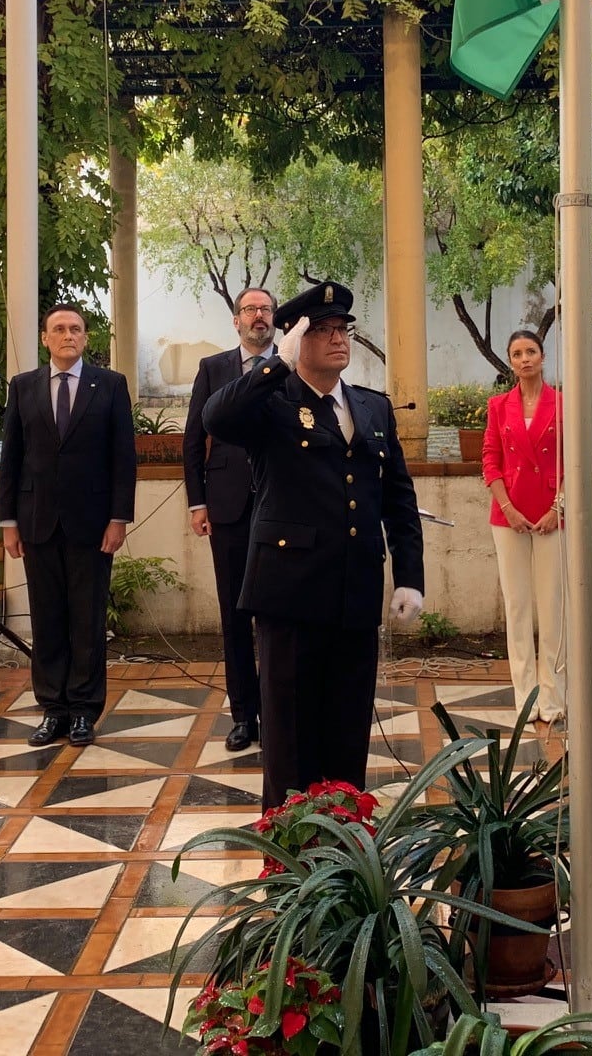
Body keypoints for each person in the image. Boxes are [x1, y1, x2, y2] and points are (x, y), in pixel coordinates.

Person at [202, 281, 424, 810]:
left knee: (347, 731)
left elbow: (398, 497)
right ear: (296, 339)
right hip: (290, 595)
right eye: (321, 331)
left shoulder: (372, 409)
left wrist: (410, 575)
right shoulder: (271, 401)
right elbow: (216, 417)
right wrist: (274, 363)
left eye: (342, 329)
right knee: (290, 737)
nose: (337, 339)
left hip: (354, 591)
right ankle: (288, 859)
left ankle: (346, 853)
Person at [0, 304, 136, 749]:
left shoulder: (110, 385)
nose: (68, 335)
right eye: (59, 329)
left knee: (88, 620)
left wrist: (119, 518)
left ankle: (83, 710)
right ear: (45, 339)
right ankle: (52, 709)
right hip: (37, 523)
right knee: (48, 617)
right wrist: (8, 522)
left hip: (93, 524)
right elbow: (11, 459)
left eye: (76, 329)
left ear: (86, 337)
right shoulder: (23, 387)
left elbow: (123, 458)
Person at [184, 288, 278, 752]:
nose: (258, 317)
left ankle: (279, 711)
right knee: (236, 615)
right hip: (227, 507)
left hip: (283, 508)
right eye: (250, 310)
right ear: (236, 319)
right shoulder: (213, 369)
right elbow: (192, 439)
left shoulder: (293, 364)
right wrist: (197, 503)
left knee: (279, 616)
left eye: (265, 310)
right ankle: (243, 716)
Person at [482, 328, 565, 726]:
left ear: (542, 356)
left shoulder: (563, 404)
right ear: (510, 361)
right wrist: (507, 507)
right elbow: (490, 459)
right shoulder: (498, 406)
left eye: (530, 351)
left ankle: (553, 696)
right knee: (517, 608)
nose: (524, 359)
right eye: (517, 353)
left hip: (553, 513)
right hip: (509, 514)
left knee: (552, 607)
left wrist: (557, 507)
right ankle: (525, 698)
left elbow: (573, 461)